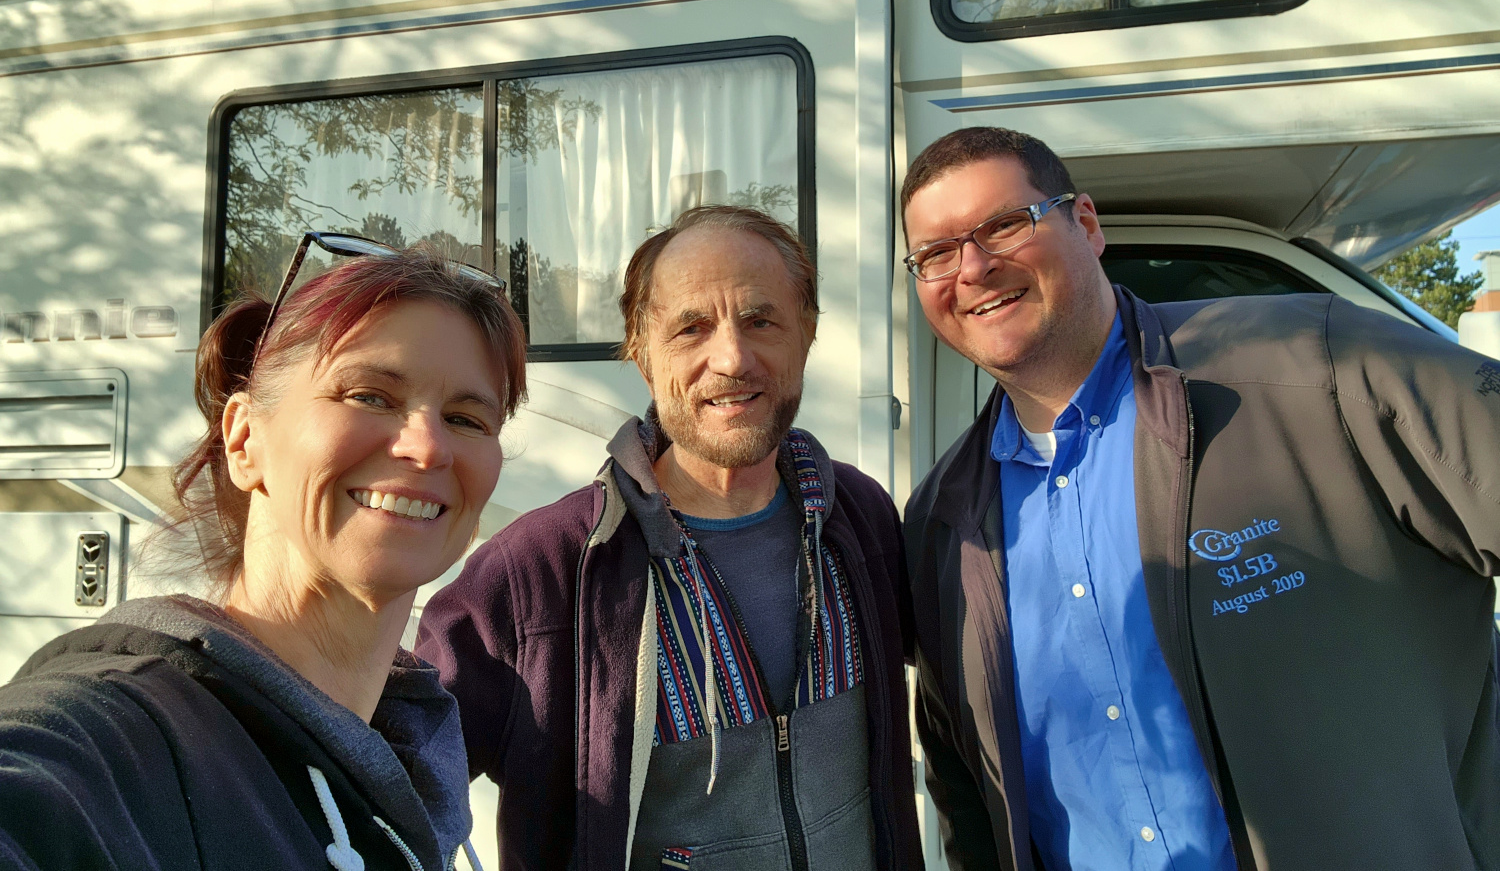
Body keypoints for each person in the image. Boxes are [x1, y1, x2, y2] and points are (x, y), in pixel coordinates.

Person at [899, 126, 1500, 871]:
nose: (975, 268)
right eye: (935, 253)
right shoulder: (940, 525)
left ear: (1086, 223)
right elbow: (966, 792)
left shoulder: (1319, 365)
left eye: (1003, 224)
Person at [418, 205, 924, 871]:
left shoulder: (857, 516)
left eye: (762, 319)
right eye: (691, 327)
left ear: (806, 333)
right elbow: (388, 783)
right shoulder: (541, 573)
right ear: (641, 353)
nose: (733, 358)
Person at [0, 236, 526, 871]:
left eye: (467, 419)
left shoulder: (411, 750)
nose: (427, 447)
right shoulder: (120, 733)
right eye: (368, 396)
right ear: (245, 440)